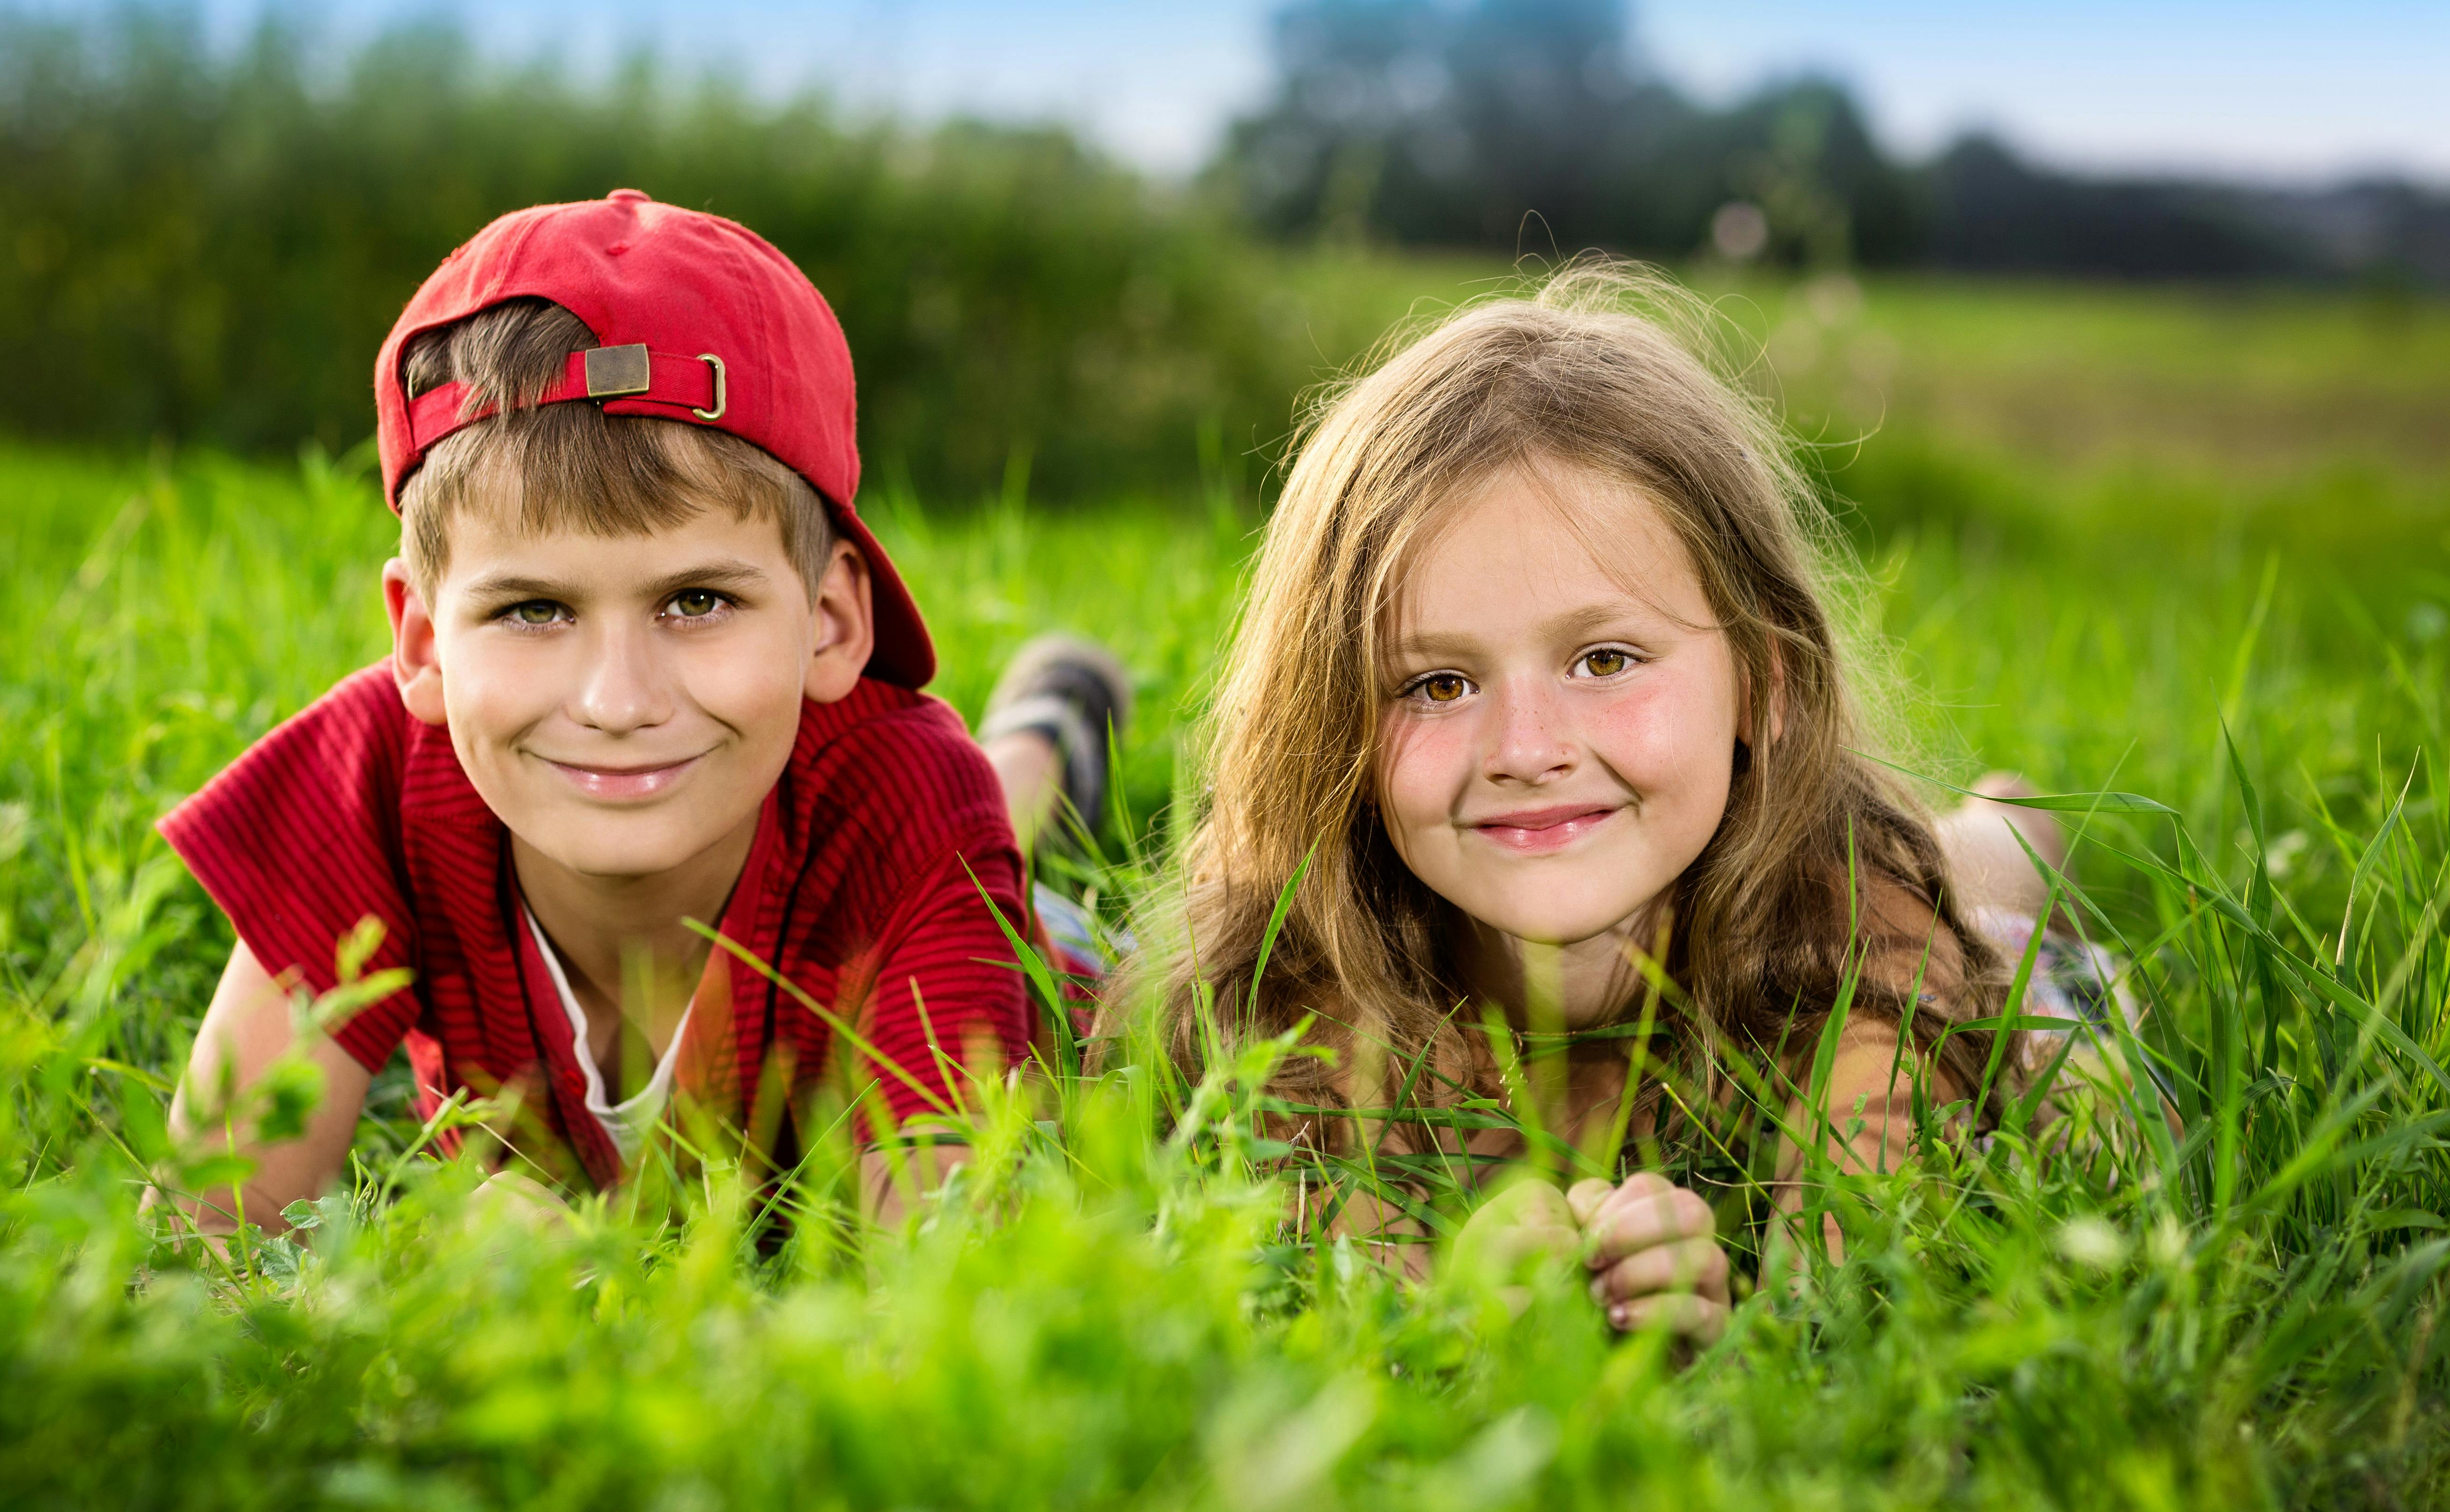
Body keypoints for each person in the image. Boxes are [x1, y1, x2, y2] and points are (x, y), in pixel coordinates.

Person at [1116, 261, 2091, 1345]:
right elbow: (1341, 1291)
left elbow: (1859, 1291)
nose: (1527, 751)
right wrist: (1459, 1304)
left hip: (1910, 903)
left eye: (1607, 658)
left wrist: (1717, 1328)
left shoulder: (1867, 954)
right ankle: (1047, 718)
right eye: (1439, 684)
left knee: (1989, 872)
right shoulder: (1300, 976)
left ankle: (2015, 818)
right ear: (1338, 718)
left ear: (1762, 682)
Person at [157, 191, 1038, 1234]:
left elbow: (952, 1279)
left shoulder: (905, 800)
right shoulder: (375, 779)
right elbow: (204, 1236)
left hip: (988, 908)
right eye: (534, 610)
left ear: (833, 620)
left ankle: (1043, 732)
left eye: (697, 601)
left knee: (1010, 820)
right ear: (424, 642)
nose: (617, 702)